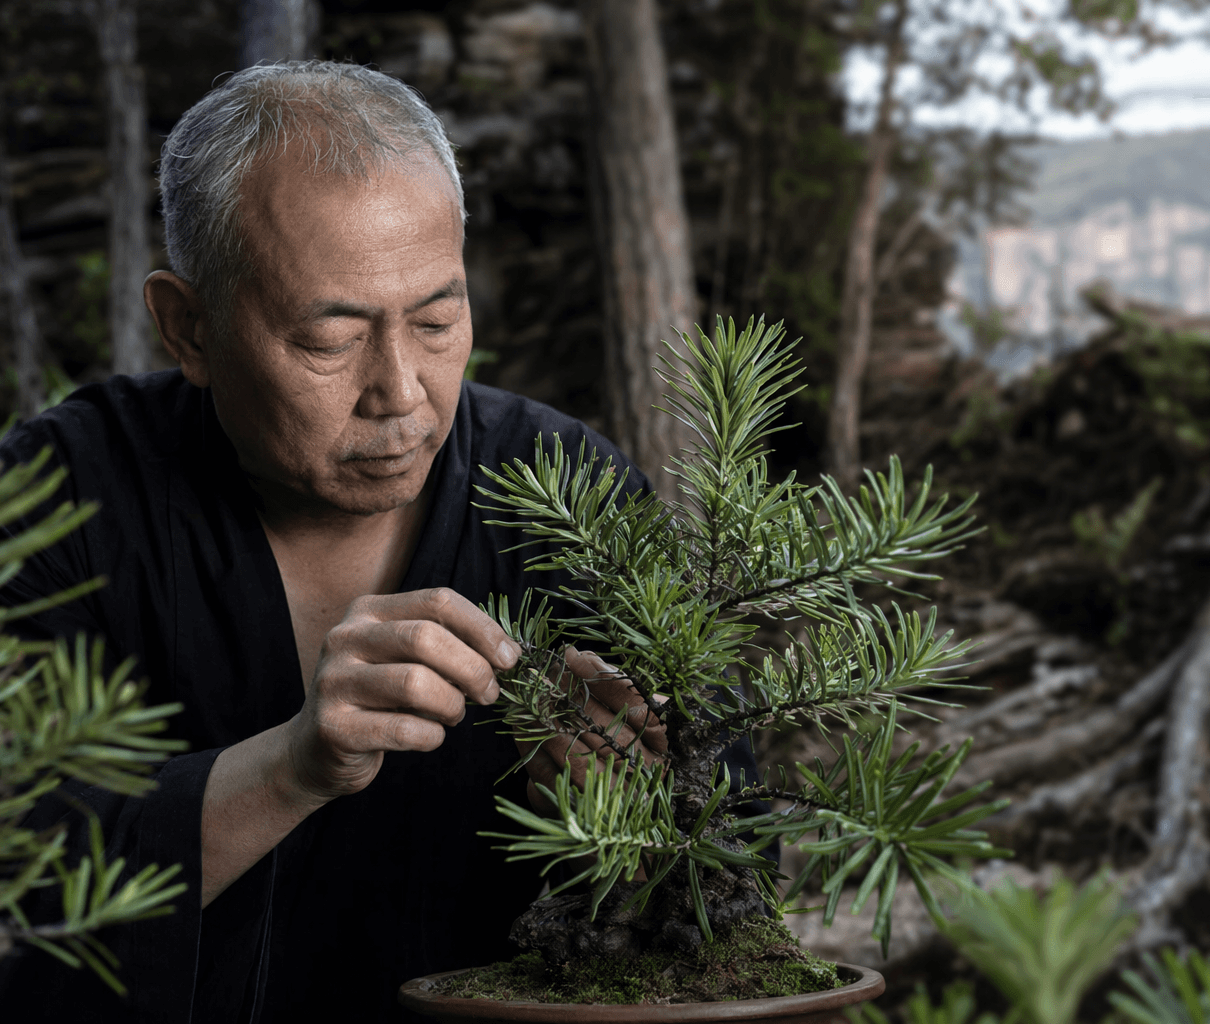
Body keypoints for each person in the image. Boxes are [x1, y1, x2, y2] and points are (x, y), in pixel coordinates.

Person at [0, 61, 758, 1022]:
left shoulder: (567, 487)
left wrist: (648, 814)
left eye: (438, 320)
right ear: (187, 327)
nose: (401, 391)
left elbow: (736, 852)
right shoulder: (59, 496)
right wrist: (290, 769)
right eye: (330, 340)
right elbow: (24, 874)